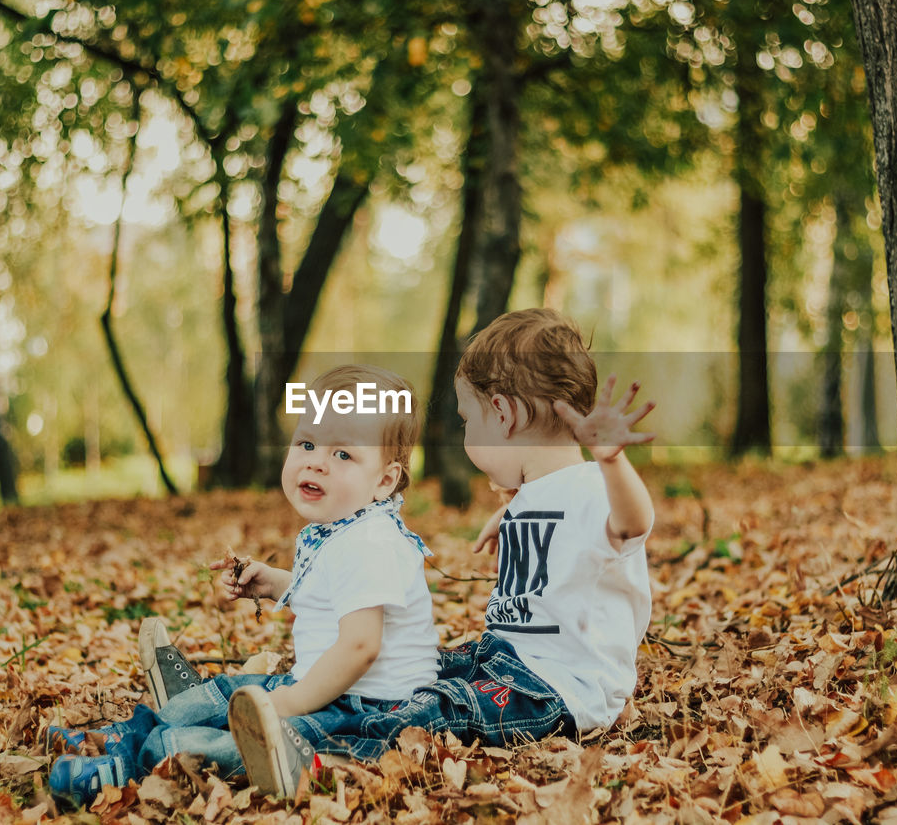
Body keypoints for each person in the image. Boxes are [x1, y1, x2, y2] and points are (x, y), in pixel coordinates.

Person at [228, 308, 657, 796]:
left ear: (504, 414)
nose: (464, 434)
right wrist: (511, 515)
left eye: (467, 420)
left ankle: (311, 756)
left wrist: (614, 461)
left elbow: (632, 525)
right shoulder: (541, 494)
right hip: (504, 660)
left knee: (437, 709)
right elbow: (559, 529)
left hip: (550, 685)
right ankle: (272, 710)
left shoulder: (596, 486)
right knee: (418, 674)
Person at [45, 364, 438, 807]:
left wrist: (289, 702)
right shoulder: (348, 529)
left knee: (216, 737)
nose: (315, 461)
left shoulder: (369, 541)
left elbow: (361, 646)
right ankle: (120, 738)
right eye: (307, 444)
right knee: (221, 695)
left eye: (342, 455)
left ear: (384, 480)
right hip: (329, 691)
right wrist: (274, 584)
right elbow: (332, 597)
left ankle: (132, 763)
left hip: (367, 711)